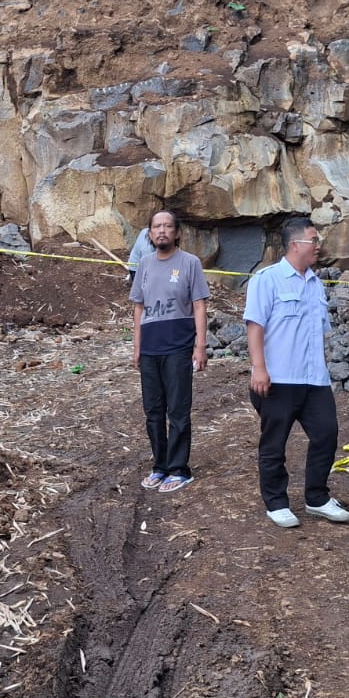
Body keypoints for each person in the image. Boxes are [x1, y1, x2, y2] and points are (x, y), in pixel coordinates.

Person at [244, 217, 349, 528]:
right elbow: (255, 326)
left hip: (314, 379)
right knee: (274, 442)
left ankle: (317, 498)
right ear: (295, 245)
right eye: (313, 240)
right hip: (278, 378)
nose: (318, 245)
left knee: (326, 434)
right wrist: (259, 368)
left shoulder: (316, 284)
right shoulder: (267, 279)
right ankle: (276, 502)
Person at [130, 210, 210, 494]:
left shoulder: (190, 263)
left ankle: (179, 469)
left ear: (177, 233)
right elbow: (138, 307)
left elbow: (199, 305)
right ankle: (159, 466)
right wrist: (137, 346)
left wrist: (200, 346)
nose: (162, 230)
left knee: (177, 410)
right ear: (149, 234)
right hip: (150, 346)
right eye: (156, 226)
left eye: (167, 226)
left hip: (178, 346)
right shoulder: (145, 264)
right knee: (153, 411)